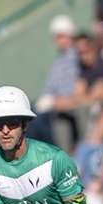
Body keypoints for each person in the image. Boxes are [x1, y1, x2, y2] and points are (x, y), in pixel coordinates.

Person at [27, 15, 85, 150]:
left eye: (61, 36)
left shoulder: (75, 57)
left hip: (58, 105)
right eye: (56, 36)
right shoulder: (60, 58)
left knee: (36, 123)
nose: (58, 40)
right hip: (47, 103)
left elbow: (71, 88)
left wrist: (53, 101)